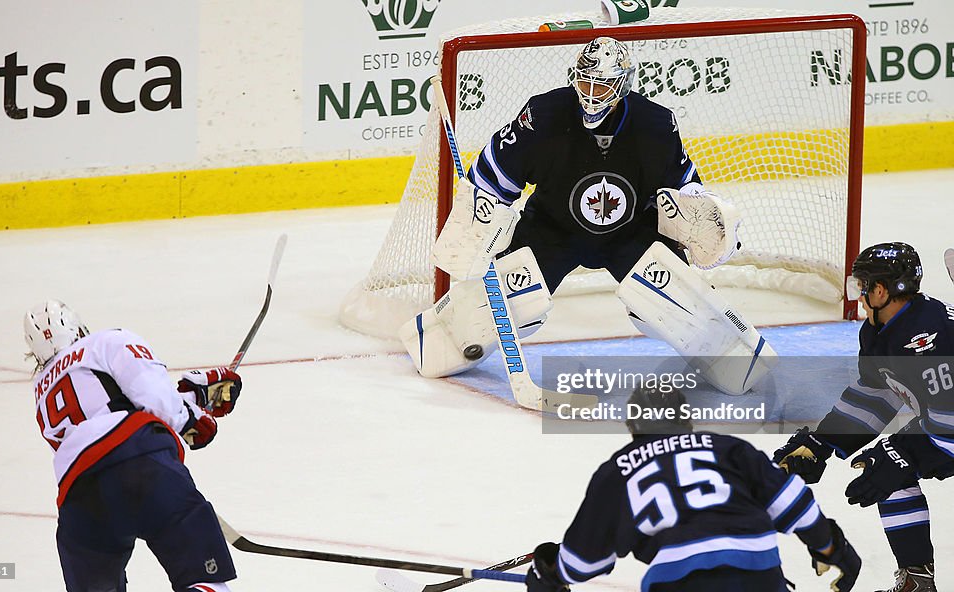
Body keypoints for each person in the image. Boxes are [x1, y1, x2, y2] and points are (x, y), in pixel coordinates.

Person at [400, 36, 776, 396]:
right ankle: (438, 337)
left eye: (602, 86)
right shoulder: (544, 115)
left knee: (667, 298)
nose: (591, 94)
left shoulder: (655, 125)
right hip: (552, 229)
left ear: (623, 86)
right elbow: (493, 170)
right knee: (515, 301)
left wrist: (706, 217)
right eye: (585, 81)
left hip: (630, 234)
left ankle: (734, 358)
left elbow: (684, 186)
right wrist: (481, 217)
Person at [525, 385, 860, 592]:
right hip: (758, 572)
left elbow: (580, 565)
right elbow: (798, 508)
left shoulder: (616, 472)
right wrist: (832, 548)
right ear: (686, 421)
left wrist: (550, 573)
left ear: (632, 427)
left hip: (677, 580)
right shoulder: (728, 448)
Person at [25, 300, 242, 592]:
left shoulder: (42, 391)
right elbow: (154, 398)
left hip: (79, 505)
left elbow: (99, 422)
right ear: (78, 327)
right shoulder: (106, 340)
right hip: (141, 469)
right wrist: (191, 418)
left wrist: (191, 399)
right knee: (203, 580)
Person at [773, 242, 952, 592]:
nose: (858, 293)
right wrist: (823, 443)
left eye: (861, 285)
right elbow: (878, 394)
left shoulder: (928, 340)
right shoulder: (883, 328)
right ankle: (917, 581)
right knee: (889, 464)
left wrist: (908, 455)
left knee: (891, 463)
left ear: (881, 290)